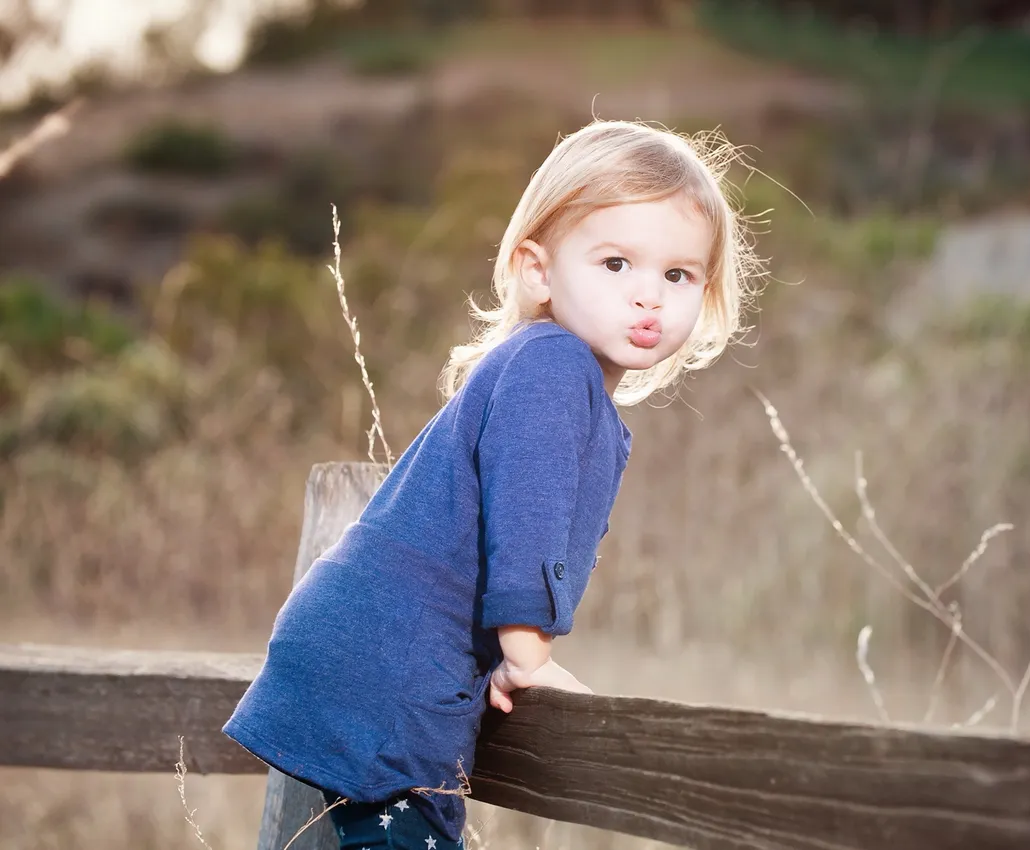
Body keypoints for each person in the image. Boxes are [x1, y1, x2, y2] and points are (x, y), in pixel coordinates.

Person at [222, 119, 764, 849]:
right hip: (391, 667)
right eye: (615, 264)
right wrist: (528, 655)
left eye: (677, 275)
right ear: (538, 271)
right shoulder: (554, 367)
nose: (649, 297)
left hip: (386, 658)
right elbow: (526, 522)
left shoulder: (557, 379)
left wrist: (495, 662)